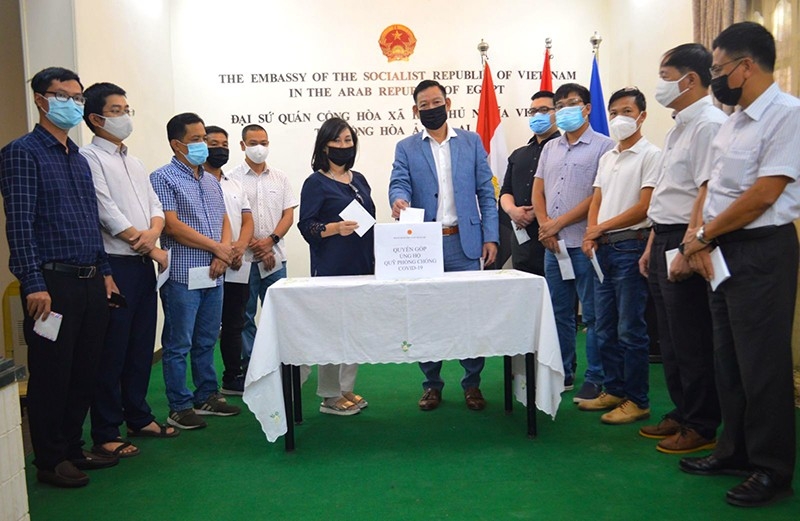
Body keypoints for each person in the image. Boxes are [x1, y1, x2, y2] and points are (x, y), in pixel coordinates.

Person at [678, 22, 800, 508]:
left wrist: (703, 236)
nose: (715, 78)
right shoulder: (733, 121)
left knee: (762, 365)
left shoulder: (787, 115)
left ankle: (771, 469)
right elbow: (711, 188)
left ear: (746, 66)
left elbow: (765, 194)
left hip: (761, 249)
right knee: (727, 359)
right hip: (720, 248)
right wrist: (697, 238)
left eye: (718, 68)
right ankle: (734, 450)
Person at [0, 67, 119, 488]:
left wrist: (105, 272)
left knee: (84, 370)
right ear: (40, 99)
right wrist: (33, 283)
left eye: (78, 97)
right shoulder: (22, 153)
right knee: (52, 374)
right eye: (63, 95)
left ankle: (72, 447)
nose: (73, 103)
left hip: (89, 279)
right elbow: (20, 224)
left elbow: (90, 221)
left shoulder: (79, 159)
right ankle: (50, 460)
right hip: (52, 284)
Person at [80, 82, 177, 459]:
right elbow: (104, 210)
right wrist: (147, 243)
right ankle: (106, 430)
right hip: (114, 264)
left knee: (139, 345)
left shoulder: (134, 162)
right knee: (112, 350)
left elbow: (154, 205)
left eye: (126, 110)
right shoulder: (89, 158)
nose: (125, 117)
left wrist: (152, 234)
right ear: (96, 118)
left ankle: (138, 416)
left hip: (141, 264)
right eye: (116, 111)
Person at [389, 79, 499, 411]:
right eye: (424, 105)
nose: (431, 109)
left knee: (469, 315)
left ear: (447, 104)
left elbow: (486, 192)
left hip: (465, 242)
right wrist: (398, 199)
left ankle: (472, 384)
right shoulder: (406, 147)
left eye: (436, 103)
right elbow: (399, 181)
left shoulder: (471, 141)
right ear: (415, 110)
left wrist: (491, 236)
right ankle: (431, 385)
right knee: (427, 317)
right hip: (424, 246)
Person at [638, 44, 725, 453]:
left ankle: (702, 423)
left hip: (687, 240)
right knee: (670, 338)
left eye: (665, 77)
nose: (660, 85)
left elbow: (708, 189)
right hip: (664, 236)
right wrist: (652, 244)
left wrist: (692, 244)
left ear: (690, 80)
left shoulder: (708, 124)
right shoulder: (678, 127)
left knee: (691, 336)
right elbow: (668, 194)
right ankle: (682, 410)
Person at [150, 113, 241, 430]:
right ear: (177, 145)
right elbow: (172, 226)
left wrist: (223, 252)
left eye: (204, 138)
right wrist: (217, 248)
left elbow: (224, 219)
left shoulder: (211, 179)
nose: (204, 145)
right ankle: (179, 406)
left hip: (214, 273)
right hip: (182, 273)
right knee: (179, 343)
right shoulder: (163, 178)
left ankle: (207, 396)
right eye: (196, 140)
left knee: (207, 338)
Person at [578, 87, 660, 424]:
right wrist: (591, 232)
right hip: (603, 249)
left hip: (631, 245)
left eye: (627, 112)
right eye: (614, 113)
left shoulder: (651, 155)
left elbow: (645, 207)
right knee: (604, 326)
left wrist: (600, 228)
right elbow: (597, 199)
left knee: (630, 329)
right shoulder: (608, 156)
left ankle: (637, 400)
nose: (619, 119)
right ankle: (613, 389)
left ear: (642, 116)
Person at [531, 83, 615, 401]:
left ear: (587, 108)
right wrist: (546, 227)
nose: (565, 109)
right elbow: (538, 190)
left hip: (585, 245)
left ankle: (595, 377)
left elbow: (598, 195)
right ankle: (563, 372)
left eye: (572, 103)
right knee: (558, 313)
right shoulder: (550, 147)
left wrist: (558, 224)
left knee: (592, 315)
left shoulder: (605, 147)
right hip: (553, 247)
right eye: (560, 105)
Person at [297, 117, 374, 416]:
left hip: (362, 266)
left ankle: (345, 388)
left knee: (354, 331)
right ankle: (329, 396)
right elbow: (306, 226)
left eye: (348, 140)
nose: (344, 146)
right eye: (337, 141)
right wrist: (334, 228)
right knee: (331, 331)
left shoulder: (359, 180)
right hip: (331, 268)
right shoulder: (315, 182)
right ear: (324, 146)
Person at [227, 124, 297, 373]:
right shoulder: (231, 179)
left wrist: (270, 241)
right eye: (253, 143)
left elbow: (288, 215)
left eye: (264, 143)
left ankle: (277, 363)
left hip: (275, 257)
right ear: (242, 145)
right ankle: (254, 365)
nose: (259, 148)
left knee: (277, 312)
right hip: (243, 260)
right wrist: (254, 245)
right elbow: (231, 218)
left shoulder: (280, 177)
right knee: (244, 315)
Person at [203, 125, 253, 395]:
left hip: (236, 263)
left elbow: (247, 220)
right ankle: (204, 388)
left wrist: (239, 248)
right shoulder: (196, 182)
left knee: (235, 324)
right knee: (207, 328)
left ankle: (232, 377)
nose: (220, 149)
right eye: (213, 144)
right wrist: (221, 251)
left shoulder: (234, 184)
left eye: (224, 144)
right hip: (208, 264)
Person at [499, 90, 559, 276]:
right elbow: (506, 191)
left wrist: (537, 211)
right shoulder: (519, 154)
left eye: (544, 110)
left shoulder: (565, 151)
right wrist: (513, 211)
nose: (537, 115)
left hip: (554, 236)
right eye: (533, 111)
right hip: (521, 241)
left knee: (557, 292)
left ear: (557, 113)